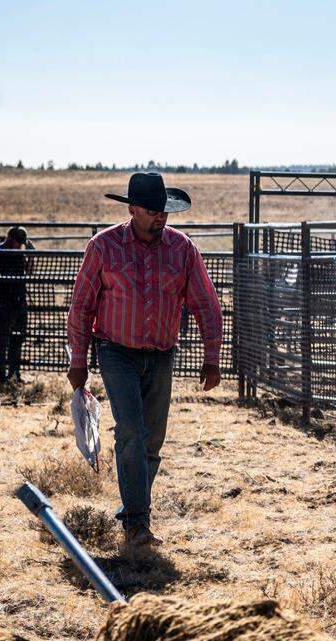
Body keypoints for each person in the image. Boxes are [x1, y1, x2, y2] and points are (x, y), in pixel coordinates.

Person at [66, 172, 223, 547]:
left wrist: (212, 355)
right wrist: (79, 360)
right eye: (153, 211)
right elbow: (82, 307)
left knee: (152, 440)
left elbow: (205, 302)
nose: (161, 217)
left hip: (162, 354)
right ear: (133, 209)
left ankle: (134, 508)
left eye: (163, 210)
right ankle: (137, 522)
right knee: (133, 430)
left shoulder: (182, 249)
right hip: (116, 350)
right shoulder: (103, 247)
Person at [0, 226, 34, 385]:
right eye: (18, 242)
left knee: (18, 338)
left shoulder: (20, 253)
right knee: (2, 340)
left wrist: (31, 256)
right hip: (4, 302)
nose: (19, 245)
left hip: (19, 300)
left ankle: (14, 374)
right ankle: (0, 377)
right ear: (10, 238)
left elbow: (28, 272)